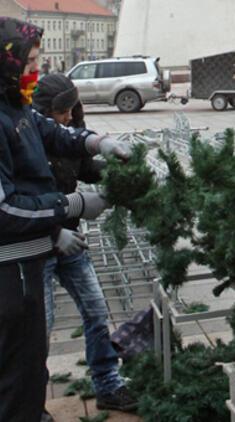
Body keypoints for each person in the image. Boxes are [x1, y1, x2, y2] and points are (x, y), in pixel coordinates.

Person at [0, 18, 130, 421]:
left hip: (29, 263)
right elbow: (5, 210)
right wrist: (72, 207)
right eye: (31, 62)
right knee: (18, 368)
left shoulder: (13, 105)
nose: (36, 72)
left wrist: (97, 141)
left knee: (31, 356)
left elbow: (49, 132)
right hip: (12, 269)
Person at [32, 73, 138, 414]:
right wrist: (51, 234)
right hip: (38, 245)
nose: (67, 117)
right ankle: (30, 403)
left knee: (95, 309)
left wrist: (116, 167)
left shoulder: (69, 131)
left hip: (72, 241)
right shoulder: (30, 137)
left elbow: (85, 167)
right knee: (38, 328)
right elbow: (23, 201)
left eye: (70, 109)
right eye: (61, 111)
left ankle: (108, 384)